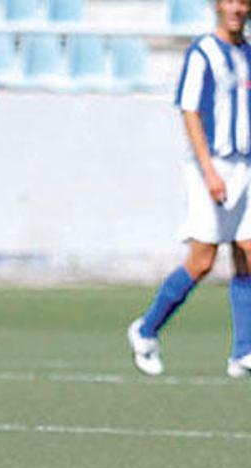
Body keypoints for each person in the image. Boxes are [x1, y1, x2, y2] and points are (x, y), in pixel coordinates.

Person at [127, 0, 251, 377]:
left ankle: (243, 353)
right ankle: (146, 330)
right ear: (217, 6)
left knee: (248, 254)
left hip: (244, 165)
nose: (237, 9)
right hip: (211, 165)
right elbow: (190, 110)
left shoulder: (246, 53)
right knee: (202, 260)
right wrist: (209, 171)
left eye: (243, 2)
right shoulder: (203, 52)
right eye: (230, 1)